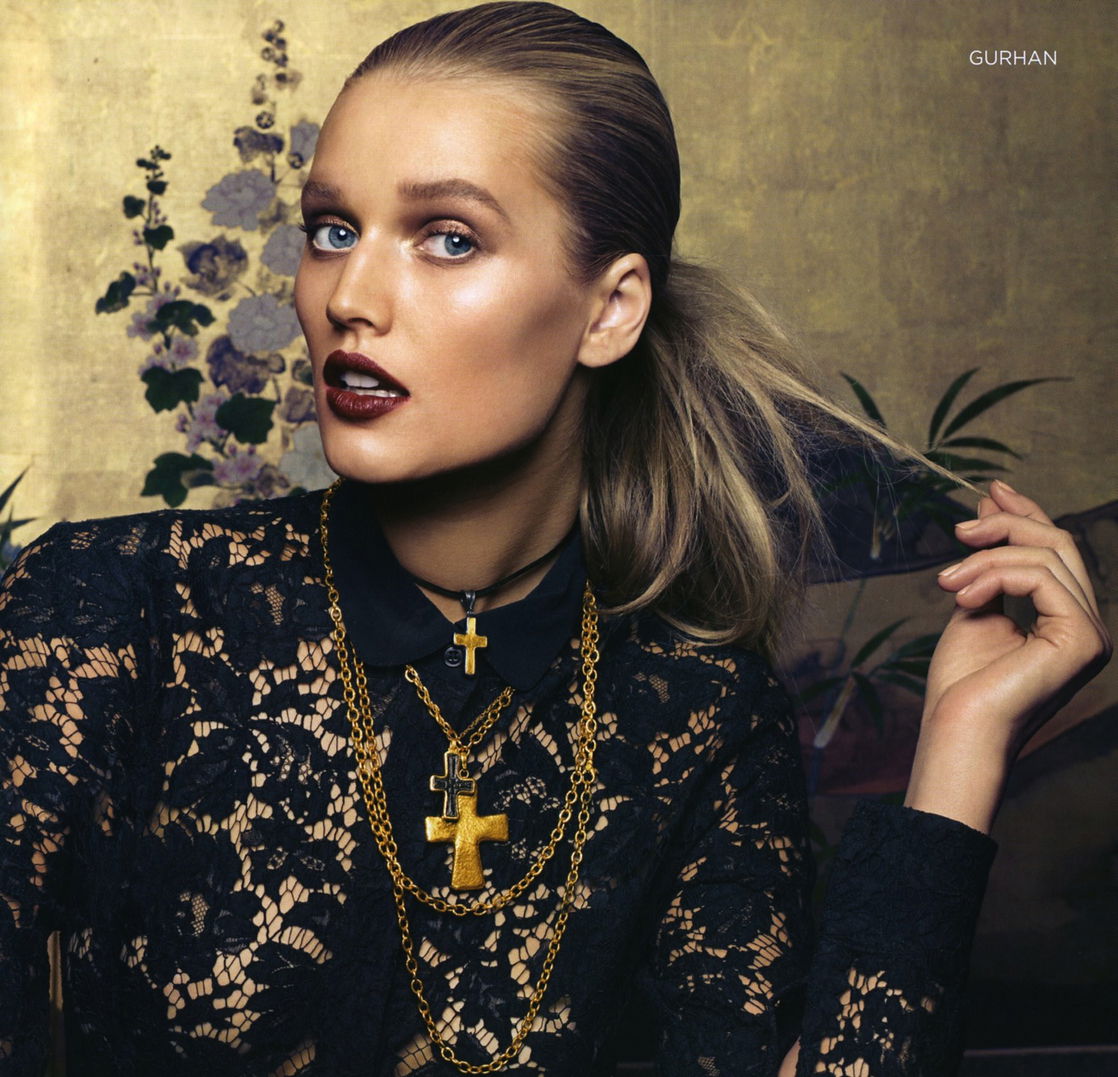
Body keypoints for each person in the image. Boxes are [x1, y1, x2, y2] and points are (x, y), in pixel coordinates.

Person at [0, 3, 1109, 1075]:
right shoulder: (110, 611)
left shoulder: (695, 714)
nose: (350, 297)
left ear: (609, 309)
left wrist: (962, 746)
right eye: (333, 230)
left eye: (447, 238)